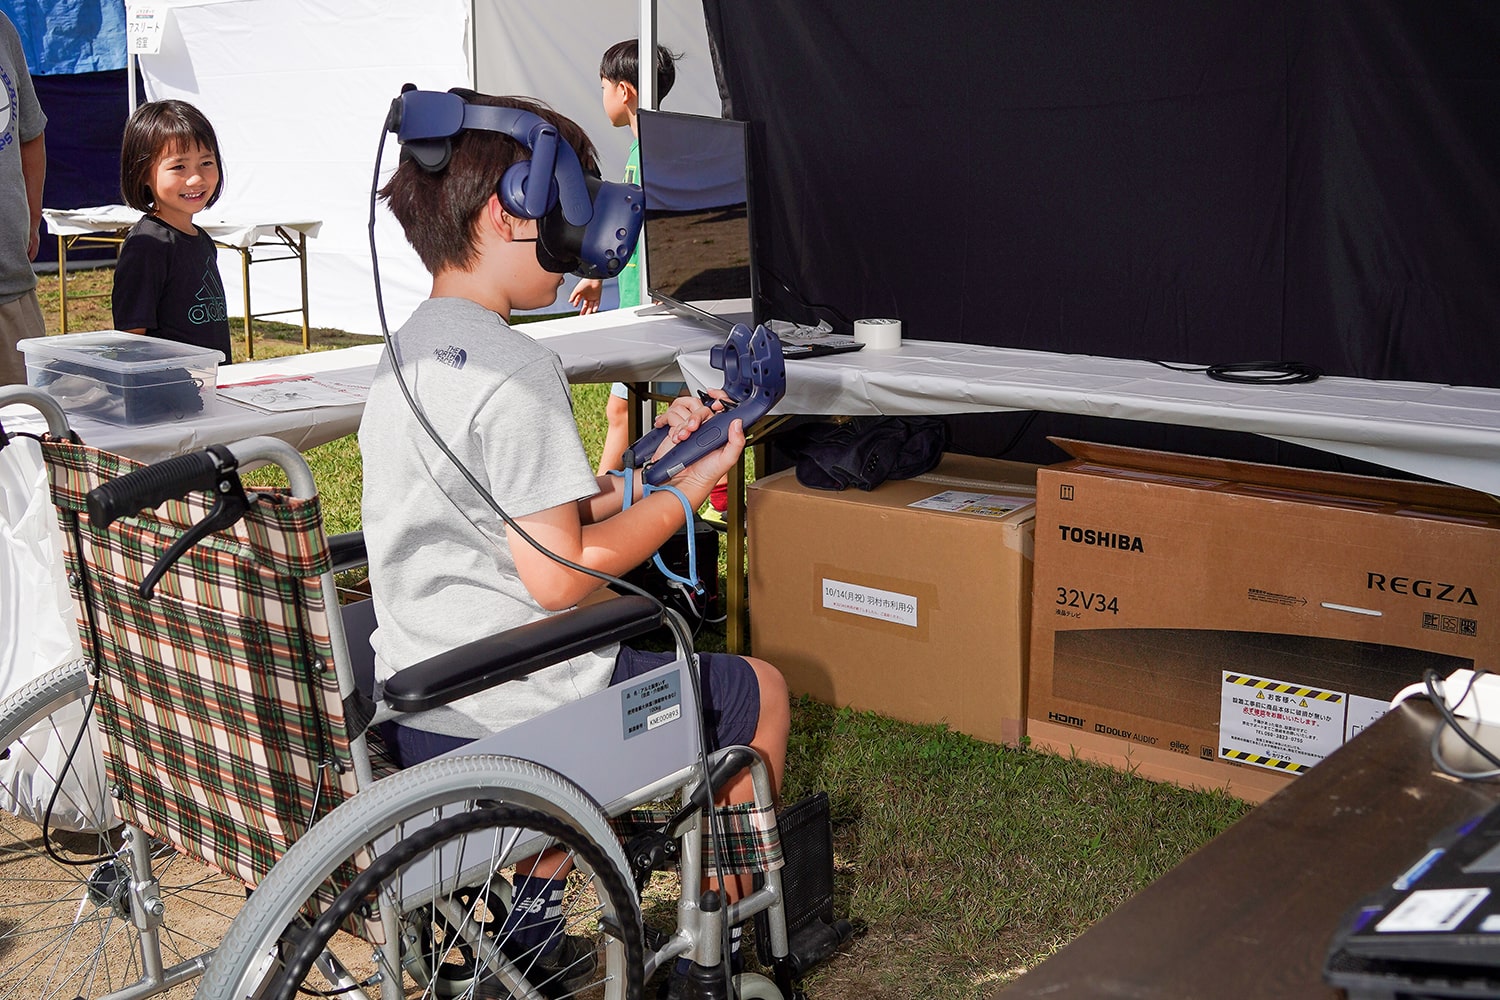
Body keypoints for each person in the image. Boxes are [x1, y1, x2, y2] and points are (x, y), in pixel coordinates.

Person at [359, 90, 789, 996]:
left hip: (422, 720)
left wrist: (647, 468)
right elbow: (563, 576)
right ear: (509, 210)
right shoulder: (517, 370)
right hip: (522, 730)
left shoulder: (407, 351)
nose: (584, 232)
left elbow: (512, 510)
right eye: (571, 206)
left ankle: (528, 939)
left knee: (595, 684)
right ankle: (719, 948)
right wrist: (687, 493)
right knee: (757, 693)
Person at [111, 100, 233, 361]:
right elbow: (130, 340)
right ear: (142, 172)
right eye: (179, 167)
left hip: (211, 380)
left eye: (206, 162)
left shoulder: (203, 240)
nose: (196, 179)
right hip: (170, 385)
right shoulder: (147, 245)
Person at [0, 12, 47, 385]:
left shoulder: (2, 27)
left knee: (28, 414)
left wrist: (32, 216)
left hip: (10, 287)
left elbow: (30, 133)